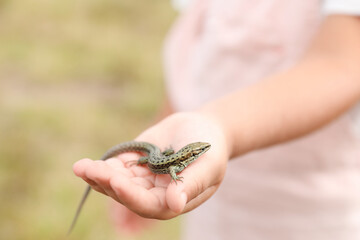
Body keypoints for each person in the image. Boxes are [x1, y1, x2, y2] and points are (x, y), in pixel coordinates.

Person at [73, 0, 360, 239]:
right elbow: (194, 46)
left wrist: (217, 126)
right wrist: (171, 118)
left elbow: (342, 65)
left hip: (316, 212)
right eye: (197, 150)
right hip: (212, 206)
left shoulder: (181, 162)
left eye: (197, 150)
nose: (199, 151)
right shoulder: (176, 161)